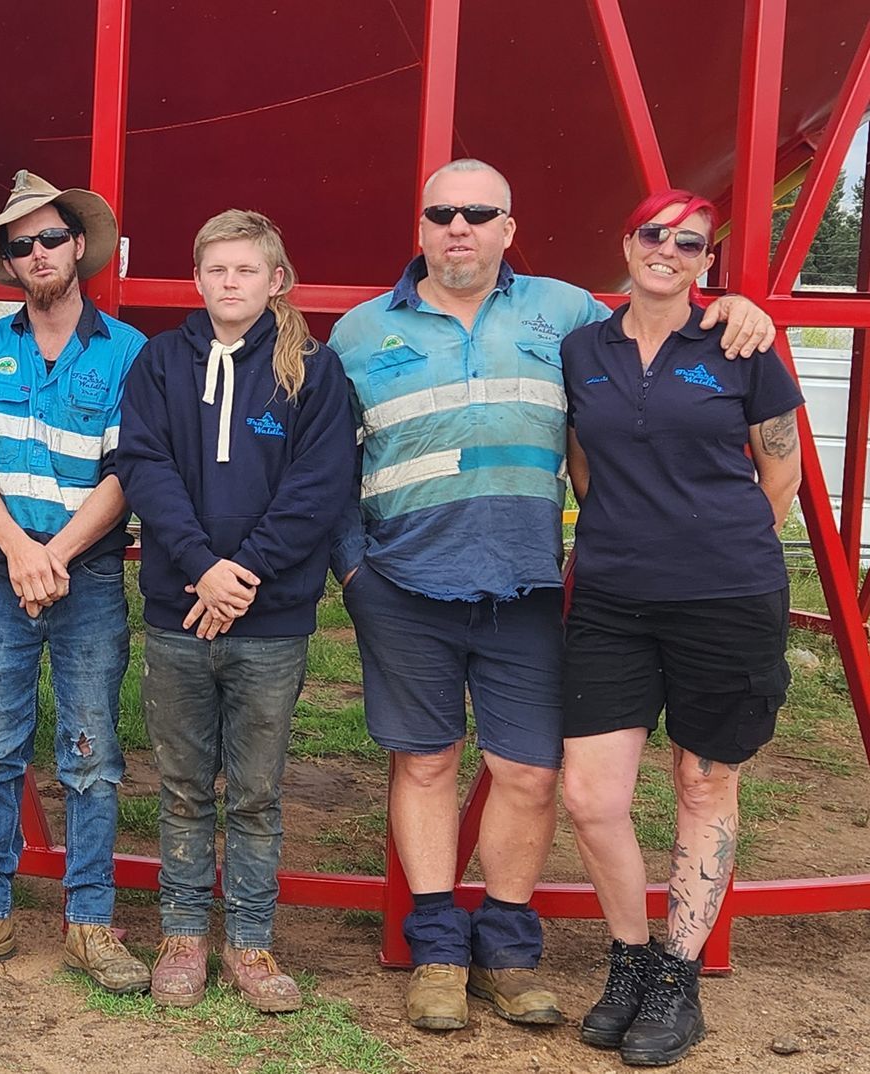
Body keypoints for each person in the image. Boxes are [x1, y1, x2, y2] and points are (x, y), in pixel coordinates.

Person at [326, 158, 775, 1030]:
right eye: (443, 214)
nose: (460, 228)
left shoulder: (566, 314)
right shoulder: (357, 332)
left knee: (529, 774)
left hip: (526, 584)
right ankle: (437, 952)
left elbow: (662, 317)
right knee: (423, 762)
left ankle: (506, 948)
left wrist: (737, 303)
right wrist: (356, 574)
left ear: (508, 228)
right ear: (419, 228)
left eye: (479, 214)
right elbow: (329, 465)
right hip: (405, 584)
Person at [559, 190, 801, 1067]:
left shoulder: (742, 344)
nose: (667, 250)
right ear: (627, 242)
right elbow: (583, 463)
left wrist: (714, 550)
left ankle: (677, 982)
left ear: (708, 262)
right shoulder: (582, 347)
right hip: (614, 599)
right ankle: (629, 959)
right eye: (653, 234)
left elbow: (782, 475)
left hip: (725, 600)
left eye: (689, 242)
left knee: (704, 785)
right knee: (590, 797)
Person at [0, 171, 151, 994]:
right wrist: (17, 553)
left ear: (79, 246)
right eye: (21, 246)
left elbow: (125, 475)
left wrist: (57, 555)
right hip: (7, 574)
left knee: (92, 753)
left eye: (51, 238)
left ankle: (90, 924)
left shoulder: (127, 354)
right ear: (8, 264)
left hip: (88, 583)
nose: (38, 253)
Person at [116, 210, 356, 1009]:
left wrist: (241, 573)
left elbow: (318, 489)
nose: (230, 283)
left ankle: (251, 943)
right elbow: (144, 466)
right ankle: (184, 936)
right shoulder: (159, 364)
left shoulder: (312, 373)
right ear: (197, 278)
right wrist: (200, 569)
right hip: (179, 611)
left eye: (246, 271)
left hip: (271, 620)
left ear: (275, 280)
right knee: (183, 786)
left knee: (255, 792)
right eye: (216, 270)